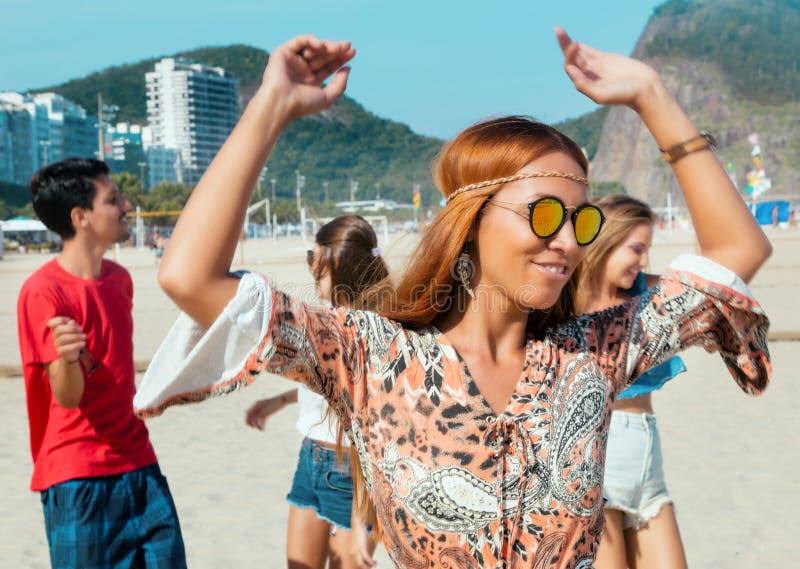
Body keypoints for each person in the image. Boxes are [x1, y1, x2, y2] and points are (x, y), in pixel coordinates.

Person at [134, 30, 772, 568]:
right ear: (472, 217)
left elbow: (737, 255)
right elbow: (190, 278)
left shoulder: (595, 353)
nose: (566, 242)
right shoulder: (371, 356)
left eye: (580, 222)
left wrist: (650, 96)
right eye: (544, 213)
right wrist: (269, 106)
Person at [17, 158, 186, 568]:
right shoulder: (42, 292)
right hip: (77, 477)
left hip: (140, 463)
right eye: (112, 200)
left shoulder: (119, 280)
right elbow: (68, 397)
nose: (126, 204)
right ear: (81, 217)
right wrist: (64, 357)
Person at [244, 215, 386, 569]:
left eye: (318, 267)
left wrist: (364, 521)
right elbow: (330, 388)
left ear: (343, 269)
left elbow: (375, 429)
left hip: (352, 472)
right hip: (311, 459)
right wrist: (277, 401)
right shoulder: (326, 317)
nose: (312, 273)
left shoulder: (371, 331)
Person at [575, 195, 688, 569]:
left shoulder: (649, 293)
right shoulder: (564, 302)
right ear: (603, 241)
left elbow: (712, 283)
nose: (644, 261)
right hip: (597, 463)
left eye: (648, 251)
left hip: (647, 459)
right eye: (636, 249)